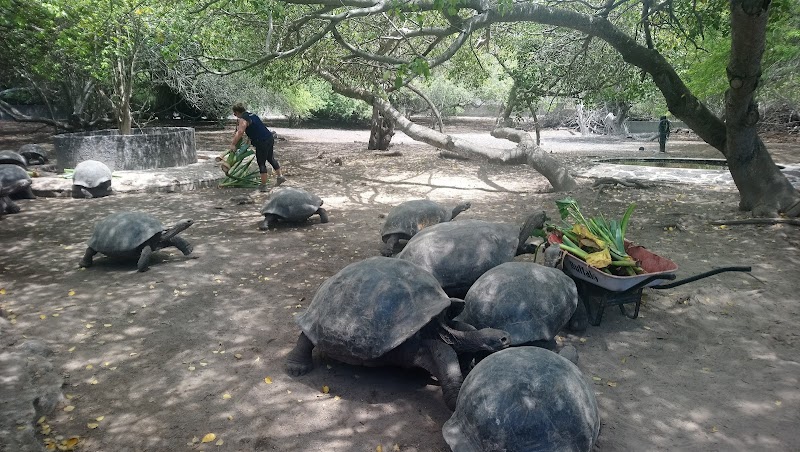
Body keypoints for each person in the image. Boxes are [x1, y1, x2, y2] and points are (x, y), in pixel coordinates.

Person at [229, 103, 285, 191]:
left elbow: (240, 132)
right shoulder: (252, 115)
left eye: (234, 113)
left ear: (237, 112)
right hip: (269, 138)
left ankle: (263, 186)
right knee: (270, 158)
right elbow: (256, 128)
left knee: (261, 163)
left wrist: (233, 144)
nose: (235, 115)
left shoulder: (243, 119)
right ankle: (280, 177)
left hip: (262, 141)